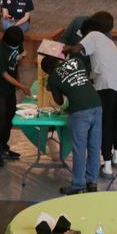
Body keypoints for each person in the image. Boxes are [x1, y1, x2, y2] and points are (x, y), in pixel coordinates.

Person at [67, 12, 117, 175]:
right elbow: (100, 67)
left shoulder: (93, 34)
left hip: (106, 86)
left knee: (105, 124)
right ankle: (116, 157)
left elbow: (76, 49)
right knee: (115, 121)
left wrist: (60, 50)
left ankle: (106, 166)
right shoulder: (110, 43)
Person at [42, 54, 103, 195]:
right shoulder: (76, 61)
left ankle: (78, 185)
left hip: (80, 111)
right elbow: (83, 80)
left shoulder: (53, 77)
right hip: (96, 104)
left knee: (79, 149)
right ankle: (92, 182)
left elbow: (59, 102)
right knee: (94, 145)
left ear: (47, 71)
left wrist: (52, 88)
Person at [0, 26, 30, 167]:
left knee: (9, 116)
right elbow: (4, 74)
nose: (17, 46)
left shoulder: (16, 41)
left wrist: (18, 80)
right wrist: (21, 86)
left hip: (10, 88)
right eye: (15, 45)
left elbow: (18, 59)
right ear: (7, 41)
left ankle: (3, 147)